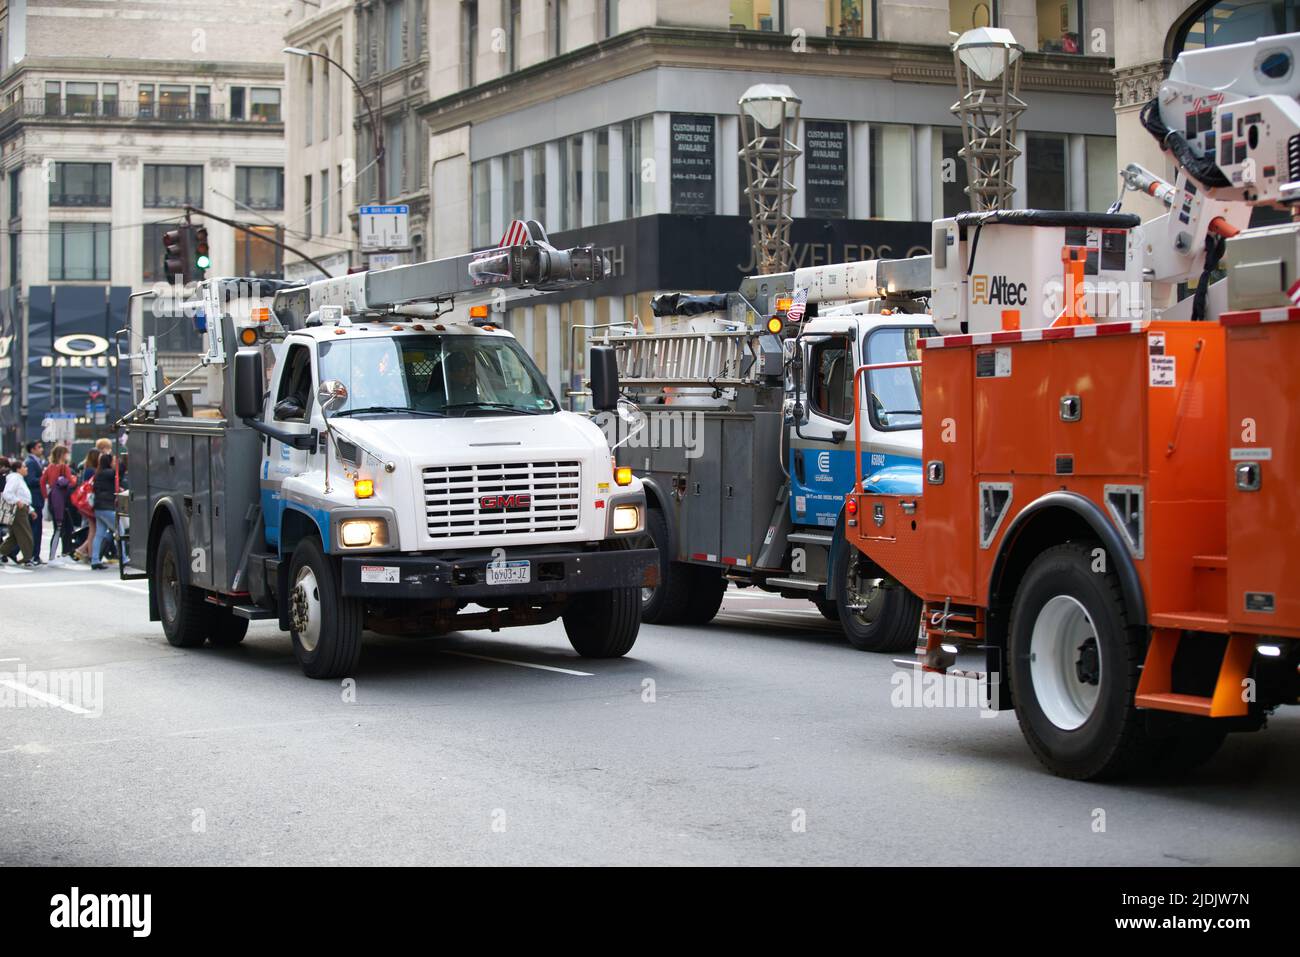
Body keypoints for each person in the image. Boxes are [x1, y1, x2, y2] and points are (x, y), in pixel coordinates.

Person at [40, 444, 78, 562]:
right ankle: (59, 555)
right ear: (62, 454)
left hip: (53, 499)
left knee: (59, 528)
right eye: (66, 453)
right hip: (63, 501)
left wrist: (46, 496)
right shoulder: (64, 467)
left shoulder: (50, 467)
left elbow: (42, 482)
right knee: (63, 528)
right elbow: (71, 482)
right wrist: (74, 479)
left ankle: (58, 554)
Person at [0, 457, 38, 566]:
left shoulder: (18, 479)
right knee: (26, 534)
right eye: (24, 467)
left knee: (15, 537)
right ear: (18, 469)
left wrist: (30, 510)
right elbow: (8, 493)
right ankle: (27, 558)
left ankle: (2, 552)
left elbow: (22, 497)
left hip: (22, 509)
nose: (26, 469)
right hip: (18, 510)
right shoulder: (15, 479)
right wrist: (17, 501)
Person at [89, 450, 118, 570]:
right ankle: (125, 558)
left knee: (99, 534)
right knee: (120, 531)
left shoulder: (98, 473)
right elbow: (120, 471)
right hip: (107, 507)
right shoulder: (109, 473)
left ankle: (95, 560)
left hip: (98, 507)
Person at [74, 449, 100, 561]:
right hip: (91, 503)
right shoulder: (92, 470)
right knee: (94, 529)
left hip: (86, 503)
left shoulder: (86, 469)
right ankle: (88, 553)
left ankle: (84, 550)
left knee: (93, 529)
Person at [23, 440, 46, 565]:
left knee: (33, 528)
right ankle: (33, 555)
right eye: (39, 447)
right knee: (35, 528)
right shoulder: (31, 462)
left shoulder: (34, 461)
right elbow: (31, 480)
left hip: (36, 498)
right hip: (34, 499)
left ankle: (33, 554)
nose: (41, 449)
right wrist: (44, 478)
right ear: (32, 449)